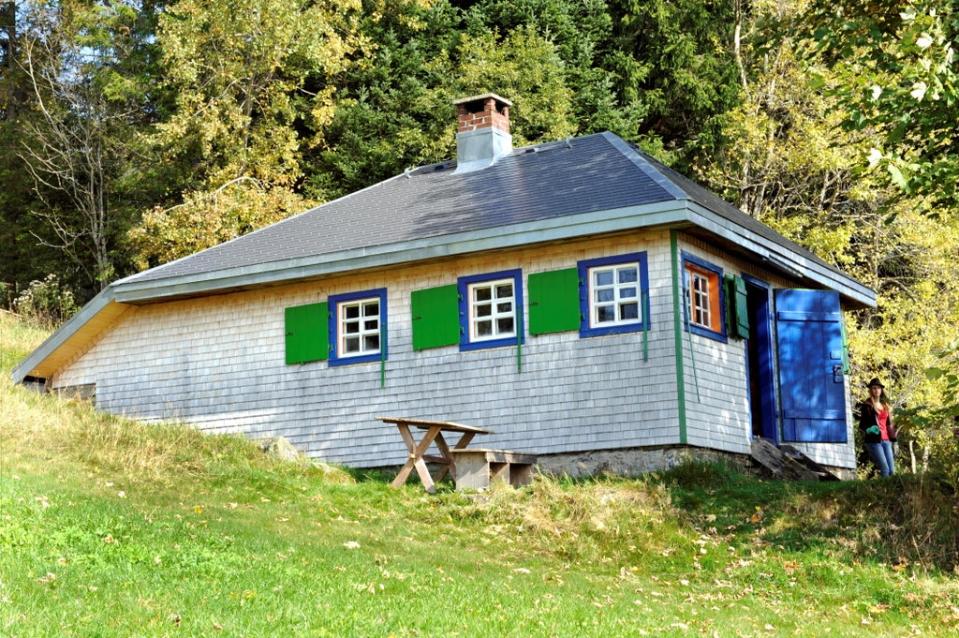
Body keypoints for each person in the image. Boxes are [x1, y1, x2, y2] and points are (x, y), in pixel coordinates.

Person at [858, 378, 897, 477]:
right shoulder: (867, 406)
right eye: (874, 388)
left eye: (879, 388)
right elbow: (862, 425)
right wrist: (869, 429)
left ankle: (891, 491)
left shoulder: (885, 406)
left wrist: (893, 438)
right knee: (885, 469)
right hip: (874, 441)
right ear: (870, 390)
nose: (877, 390)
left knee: (892, 471)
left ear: (881, 390)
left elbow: (889, 424)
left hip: (886, 440)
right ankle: (886, 492)